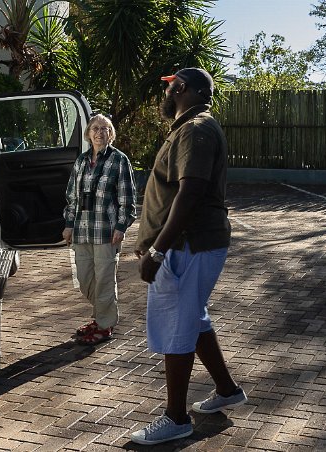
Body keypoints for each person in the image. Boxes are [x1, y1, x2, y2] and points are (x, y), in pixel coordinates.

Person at [129, 68, 248, 446]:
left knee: (178, 328)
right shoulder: (191, 127)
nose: (166, 94)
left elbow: (190, 192)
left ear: (180, 88)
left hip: (188, 245)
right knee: (193, 317)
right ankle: (227, 390)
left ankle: (176, 418)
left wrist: (158, 249)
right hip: (191, 244)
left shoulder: (195, 129)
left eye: (169, 87)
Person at [62, 114, 136, 346]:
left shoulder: (119, 160)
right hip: (82, 230)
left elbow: (127, 198)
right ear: (88, 133)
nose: (99, 132)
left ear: (111, 134)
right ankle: (102, 315)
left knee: (104, 280)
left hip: (106, 231)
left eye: (105, 129)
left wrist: (121, 226)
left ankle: (104, 325)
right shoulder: (82, 161)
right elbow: (73, 197)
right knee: (84, 280)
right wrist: (68, 224)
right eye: (95, 128)